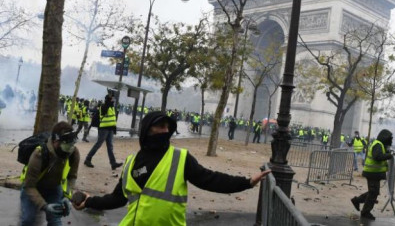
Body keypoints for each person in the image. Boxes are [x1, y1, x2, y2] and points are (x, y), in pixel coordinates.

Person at [73, 111, 270, 225]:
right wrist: (90, 202)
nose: (165, 131)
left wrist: (246, 182)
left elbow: (209, 179)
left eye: (167, 128)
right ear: (147, 130)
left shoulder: (180, 158)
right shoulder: (131, 162)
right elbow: (118, 198)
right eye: (160, 127)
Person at [20, 121, 80, 226]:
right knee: (28, 220)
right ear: (55, 141)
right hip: (32, 187)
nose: (70, 149)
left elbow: (72, 177)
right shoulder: (39, 154)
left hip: (54, 188)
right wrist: (44, 206)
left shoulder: (73, 152)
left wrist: (67, 197)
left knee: (55, 220)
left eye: (72, 144)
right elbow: (29, 186)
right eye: (67, 145)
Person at [350, 129, 393, 220]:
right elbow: (377, 157)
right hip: (372, 173)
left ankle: (357, 200)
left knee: (373, 192)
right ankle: (365, 212)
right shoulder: (377, 144)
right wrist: (389, 155)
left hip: (374, 173)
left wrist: (387, 153)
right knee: (373, 192)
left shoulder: (379, 144)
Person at [84, 94, 122, 170]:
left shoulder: (111, 107)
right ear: (108, 100)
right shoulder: (104, 106)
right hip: (103, 129)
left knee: (110, 146)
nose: (113, 101)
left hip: (110, 129)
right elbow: (99, 115)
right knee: (98, 144)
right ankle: (88, 159)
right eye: (112, 99)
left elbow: (112, 119)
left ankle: (113, 163)